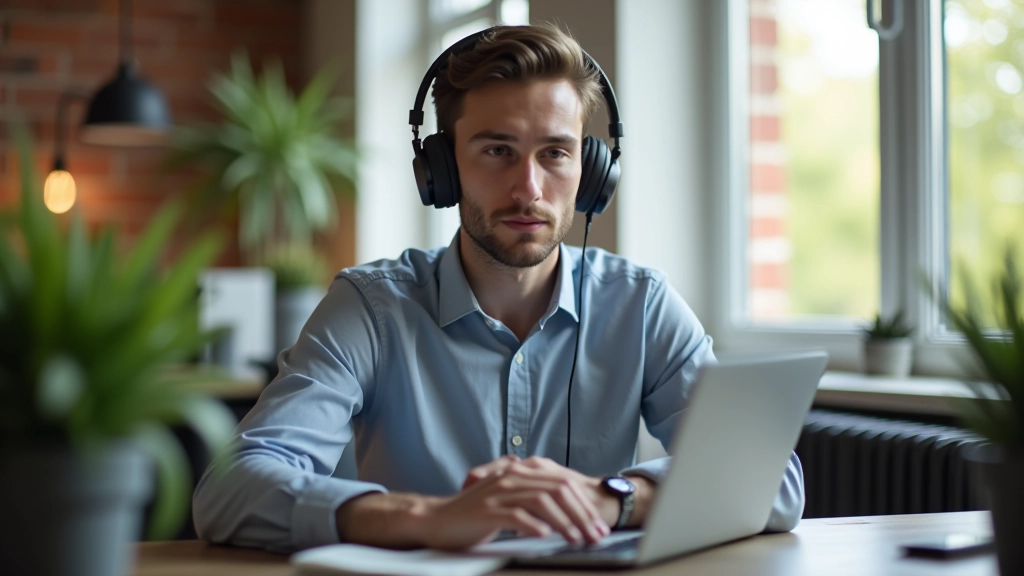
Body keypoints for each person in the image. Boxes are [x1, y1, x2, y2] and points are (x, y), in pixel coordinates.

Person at [192, 24, 805, 554]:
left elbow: (773, 479)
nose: (530, 189)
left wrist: (613, 496)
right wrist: (427, 518)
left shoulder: (639, 304)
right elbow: (230, 489)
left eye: (555, 153)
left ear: (589, 172)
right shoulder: (371, 308)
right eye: (497, 150)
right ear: (442, 168)